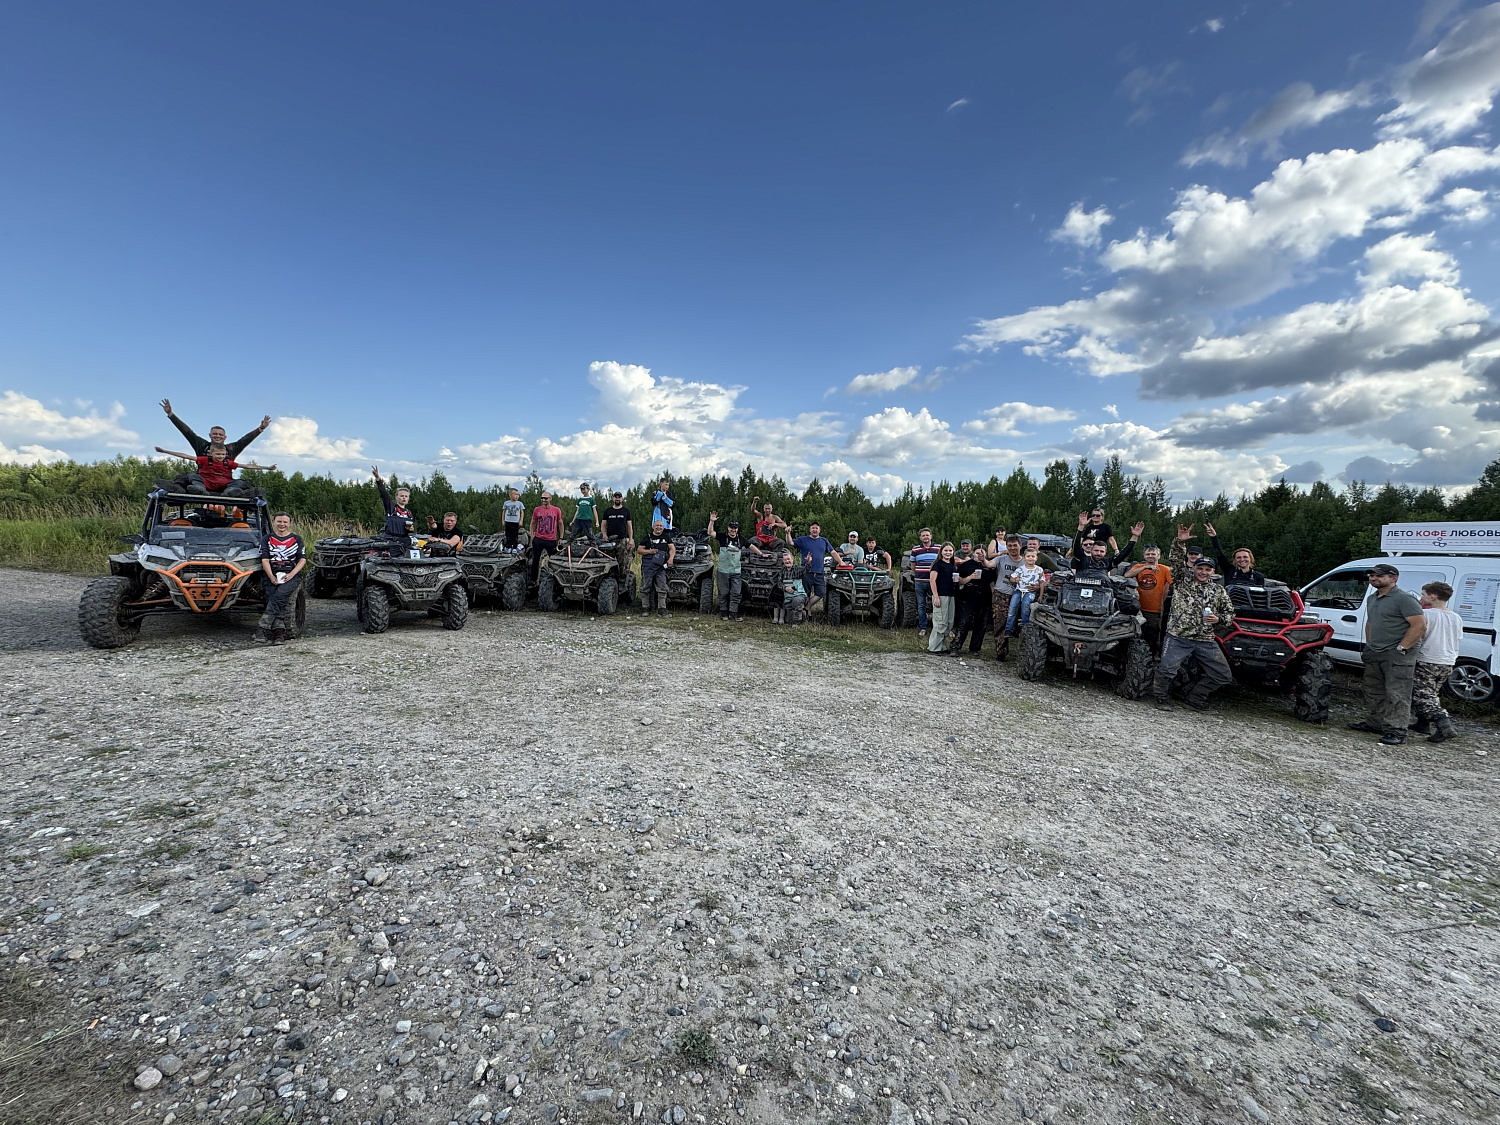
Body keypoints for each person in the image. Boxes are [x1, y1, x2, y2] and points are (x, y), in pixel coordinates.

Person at [1347, 563, 1426, 746]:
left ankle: (1396, 730)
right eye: (1372, 575)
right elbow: (1370, 623)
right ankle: (1376, 723)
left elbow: (1419, 626)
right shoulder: (1372, 598)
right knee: (1373, 690)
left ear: (1394, 578)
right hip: (1375, 651)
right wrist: (1370, 645)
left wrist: (1402, 648)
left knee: (1397, 692)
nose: (1373, 578)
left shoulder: (1404, 599)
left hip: (1396, 653)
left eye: (1379, 575)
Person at [1151, 543, 1237, 712]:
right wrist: (1179, 543)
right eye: (1201, 568)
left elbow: (1230, 614)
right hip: (1178, 636)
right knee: (1167, 669)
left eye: (1208, 569)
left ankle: (1195, 699)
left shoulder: (1218, 590)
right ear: (1194, 569)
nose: (1203, 572)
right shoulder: (1183, 581)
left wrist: (1218, 619)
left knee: (1223, 675)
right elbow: (1176, 562)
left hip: (1204, 640)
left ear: (1213, 571)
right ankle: (1161, 697)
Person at [1412, 581, 1462, 744]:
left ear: (1432, 596)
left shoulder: (1426, 615)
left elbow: (1418, 635)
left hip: (1428, 658)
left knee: (1422, 695)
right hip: (1447, 661)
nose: (1422, 597)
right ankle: (1422, 724)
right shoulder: (1456, 616)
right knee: (1432, 693)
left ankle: (1444, 725)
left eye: (1424, 594)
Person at [159, 398, 271, 460]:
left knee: (241, 485)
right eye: (215, 434)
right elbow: (187, 431)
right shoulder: (201, 445)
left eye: (220, 435)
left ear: (225, 437)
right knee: (186, 479)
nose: (217, 436)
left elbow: (246, 439)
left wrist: (260, 428)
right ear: (210, 435)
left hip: (224, 482)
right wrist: (171, 414)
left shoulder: (232, 449)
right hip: (202, 481)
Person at [155, 443, 275, 498]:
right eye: (218, 454)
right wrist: (165, 451)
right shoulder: (205, 460)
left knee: (241, 482)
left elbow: (247, 466)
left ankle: (231, 492)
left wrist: (267, 468)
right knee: (191, 476)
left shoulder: (228, 463)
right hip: (206, 484)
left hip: (224, 485)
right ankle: (200, 490)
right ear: (211, 453)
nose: (220, 456)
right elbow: (186, 456)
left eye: (223, 454)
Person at [257, 512, 305, 645]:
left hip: (291, 574)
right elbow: (265, 559)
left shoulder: (296, 539)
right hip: (271, 574)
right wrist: (271, 576)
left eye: (285, 522)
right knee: (274, 597)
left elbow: (302, 560)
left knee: (279, 596)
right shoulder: (266, 539)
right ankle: (279, 632)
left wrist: (291, 574)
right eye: (279, 521)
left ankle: (263, 627)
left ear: (289, 524)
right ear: (274, 522)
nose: (282, 524)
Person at [1125, 545, 1173, 651]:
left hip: (1154, 609)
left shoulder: (1165, 569)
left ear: (1159, 556)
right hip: (1137, 608)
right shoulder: (1138, 567)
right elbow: (1127, 575)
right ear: (1144, 555)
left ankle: (1153, 656)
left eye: (1153, 554)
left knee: (1152, 635)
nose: (1150, 556)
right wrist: (1144, 568)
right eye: (1148, 554)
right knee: (1135, 634)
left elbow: (1173, 584)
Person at [949, 544, 994, 656]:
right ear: (973, 553)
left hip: (985, 596)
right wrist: (970, 577)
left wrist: (994, 597)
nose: (980, 555)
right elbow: (958, 581)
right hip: (969, 594)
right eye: (978, 552)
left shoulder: (989, 566)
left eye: (982, 553)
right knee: (964, 621)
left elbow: (992, 583)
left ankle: (975, 648)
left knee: (982, 623)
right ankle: (955, 646)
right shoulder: (965, 566)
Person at [787, 521, 837, 614]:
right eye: (813, 528)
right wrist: (788, 533)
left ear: (819, 530)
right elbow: (790, 542)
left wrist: (841, 562)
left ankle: (807, 607)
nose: (815, 530)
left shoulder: (824, 541)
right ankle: (807, 614)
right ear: (810, 530)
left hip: (819, 572)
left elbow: (833, 552)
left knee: (821, 593)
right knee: (806, 594)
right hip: (806, 572)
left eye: (816, 528)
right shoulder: (803, 540)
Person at [990, 535, 1025, 661]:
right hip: (1001, 594)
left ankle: (1024, 652)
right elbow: (989, 564)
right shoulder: (1001, 559)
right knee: (1000, 623)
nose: (1012, 548)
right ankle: (1001, 651)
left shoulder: (1026, 561)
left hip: (1020, 595)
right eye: (1009, 546)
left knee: (1021, 624)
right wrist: (983, 559)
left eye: (1015, 545)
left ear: (1020, 546)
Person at [708, 511, 747, 620]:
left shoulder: (741, 539)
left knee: (735, 593)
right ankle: (724, 613)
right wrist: (712, 521)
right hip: (723, 571)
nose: (733, 530)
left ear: (737, 529)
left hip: (736, 572)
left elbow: (751, 546)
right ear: (728, 528)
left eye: (735, 528)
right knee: (723, 593)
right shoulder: (722, 537)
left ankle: (733, 614)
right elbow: (710, 532)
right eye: (731, 527)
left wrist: (762, 554)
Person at [637, 518, 676, 616]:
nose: (658, 527)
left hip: (660, 567)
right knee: (645, 587)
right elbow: (639, 550)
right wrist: (649, 551)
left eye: (660, 526)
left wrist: (671, 558)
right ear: (653, 527)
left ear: (663, 527)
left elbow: (672, 548)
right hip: (648, 566)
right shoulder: (647, 537)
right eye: (657, 525)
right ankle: (645, 608)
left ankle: (662, 610)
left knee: (662, 588)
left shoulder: (666, 537)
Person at [1003, 547, 1047, 635]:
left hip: (1030, 592)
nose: (1030, 558)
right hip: (1019, 590)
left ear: (1036, 558)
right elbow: (1011, 578)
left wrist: (1041, 595)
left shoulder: (1039, 570)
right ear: (1024, 557)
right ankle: (1009, 629)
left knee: (1025, 606)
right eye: (1028, 556)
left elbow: (1042, 583)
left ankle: (1025, 627)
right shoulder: (1020, 569)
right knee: (1012, 608)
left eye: (1032, 556)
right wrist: (1015, 580)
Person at [1072, 521, 1143, 572]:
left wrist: (1135, 537)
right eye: (1096, 550)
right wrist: (1080, 527)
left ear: (1105, 552)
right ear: (1091, 550)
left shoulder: (1108, 562)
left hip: (1101, 591)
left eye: (1101, 551)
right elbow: (1075, 547)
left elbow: (1123, 554)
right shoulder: (1081, 559)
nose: (1098, 553)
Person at [926, 542, 958, 654]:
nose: (948, 553)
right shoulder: (937, 564)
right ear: (941, 552)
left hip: (951, 596)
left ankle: (942, 646)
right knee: (940, 622)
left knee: (949, 622)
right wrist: (936, 597)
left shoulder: (952, 565)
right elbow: (932, 580)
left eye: (950, 551)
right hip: (940, 595)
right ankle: (934, 648)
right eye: (946, 550)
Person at [528, 490, 564, 584]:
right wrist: (532, 534)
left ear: (550, 499)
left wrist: (561, 537)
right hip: (538, 539)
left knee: (554, 561)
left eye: (545, 498)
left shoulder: (556, 510)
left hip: (551, 540)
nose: (543, 500)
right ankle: (533, 581)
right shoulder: (537, 510)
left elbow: (560, 523)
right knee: (535, 560)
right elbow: (533, 522)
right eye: (542, 498)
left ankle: (555, 581)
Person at [371, 466, 415, 539]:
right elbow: (384, 494)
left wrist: (411, 529)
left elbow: (409, 529)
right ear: (396, 497)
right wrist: (378, 479)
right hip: (391, 540)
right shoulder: (391, 507)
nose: (404, 497)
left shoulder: (409, 513)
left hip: (405, 541)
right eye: (401, 496)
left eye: (406, 496)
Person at [909, 529, 939, 637]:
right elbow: (913, 565)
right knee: (921, 605)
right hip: (920, 581)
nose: (925, 537)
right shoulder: (916, 549)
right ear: (920, 538)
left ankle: (938, 626)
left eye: (927, 535)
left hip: (935, 582)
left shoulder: (938, 548)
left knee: (937, 604)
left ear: (931, 536)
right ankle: (923, 627)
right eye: (923, 535)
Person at [775, 548, 808, 625]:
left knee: (796, 602)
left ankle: (796, 623)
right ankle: (802, 614)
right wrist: (785, 588)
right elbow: (779, 583)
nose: (787, 561)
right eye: (785, 560)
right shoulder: (782, 571)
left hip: (799, 595)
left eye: (788, 559)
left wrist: (808, 563)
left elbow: (807, 570)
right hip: (788, 597)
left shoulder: (798, 569)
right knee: (788, 620)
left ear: (792, 559)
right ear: (783, 561)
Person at [503, 487, 526, 551]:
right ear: (510, 495)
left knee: (515, 535)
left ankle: (514, 547)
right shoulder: (506, 503)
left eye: (518, 495)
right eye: (515, 494)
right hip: (508, 521)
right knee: (508, 535)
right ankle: (508, 547)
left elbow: (522, 512)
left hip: (515, 522)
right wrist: (503, 520)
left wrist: (521, 520)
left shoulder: (519, 503)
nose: (517, 496)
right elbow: (504, 512)